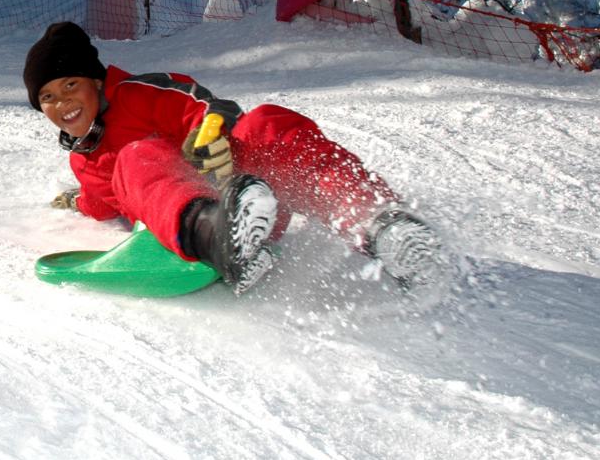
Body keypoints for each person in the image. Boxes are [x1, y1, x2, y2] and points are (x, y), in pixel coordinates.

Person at [23, 21, 440, 293]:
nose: (62, 103)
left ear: (97, 81)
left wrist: (207, 138)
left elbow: (207, 107)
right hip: (197, 227)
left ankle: (378, 224)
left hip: (247, 198)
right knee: (137, 158)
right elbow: (101, 203)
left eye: (70, 85)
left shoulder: (139, 93)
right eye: (47, 97)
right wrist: (75, 200)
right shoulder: (84, 162)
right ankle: (216, 236)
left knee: (266, 122)